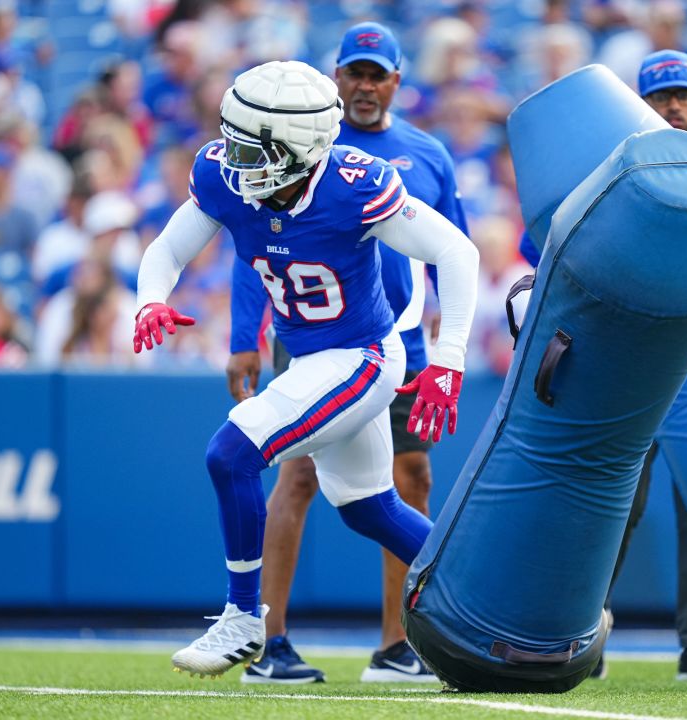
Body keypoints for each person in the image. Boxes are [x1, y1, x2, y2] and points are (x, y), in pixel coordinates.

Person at [132, 60, 479, 680]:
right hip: (310, 355)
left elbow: (456, 248)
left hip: (362, 357)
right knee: (367, 507)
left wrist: (449, 358)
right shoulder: (225, 175)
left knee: (230, 454)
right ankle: (489, 599)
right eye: (233, 141)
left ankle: (243, 616)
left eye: (253, 148)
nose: (236, 160)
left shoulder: (354, 184)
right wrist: (150, 298)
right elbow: (168, 248)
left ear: (303, 147)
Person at [519, 50, 687, 682]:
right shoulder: (611, 173)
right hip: (633, 359)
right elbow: (543, 240)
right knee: (612, 501)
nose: (673, 104)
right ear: (637, 104)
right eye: (661, 94)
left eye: (683, 93)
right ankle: (583, 636)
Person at [224, 23, 470, 685]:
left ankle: (399, 644)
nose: (363, 86)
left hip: (405, 342)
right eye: (354, 73)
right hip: (310, 338)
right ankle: (269, 640)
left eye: (376, 74)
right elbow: (254, 238)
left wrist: (450, 349)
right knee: (297, 478)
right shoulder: (297, 142)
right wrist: (243, 335)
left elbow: (456, 251)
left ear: (396, 82)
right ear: (336, 79)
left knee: (409, 481)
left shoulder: (427, 154)